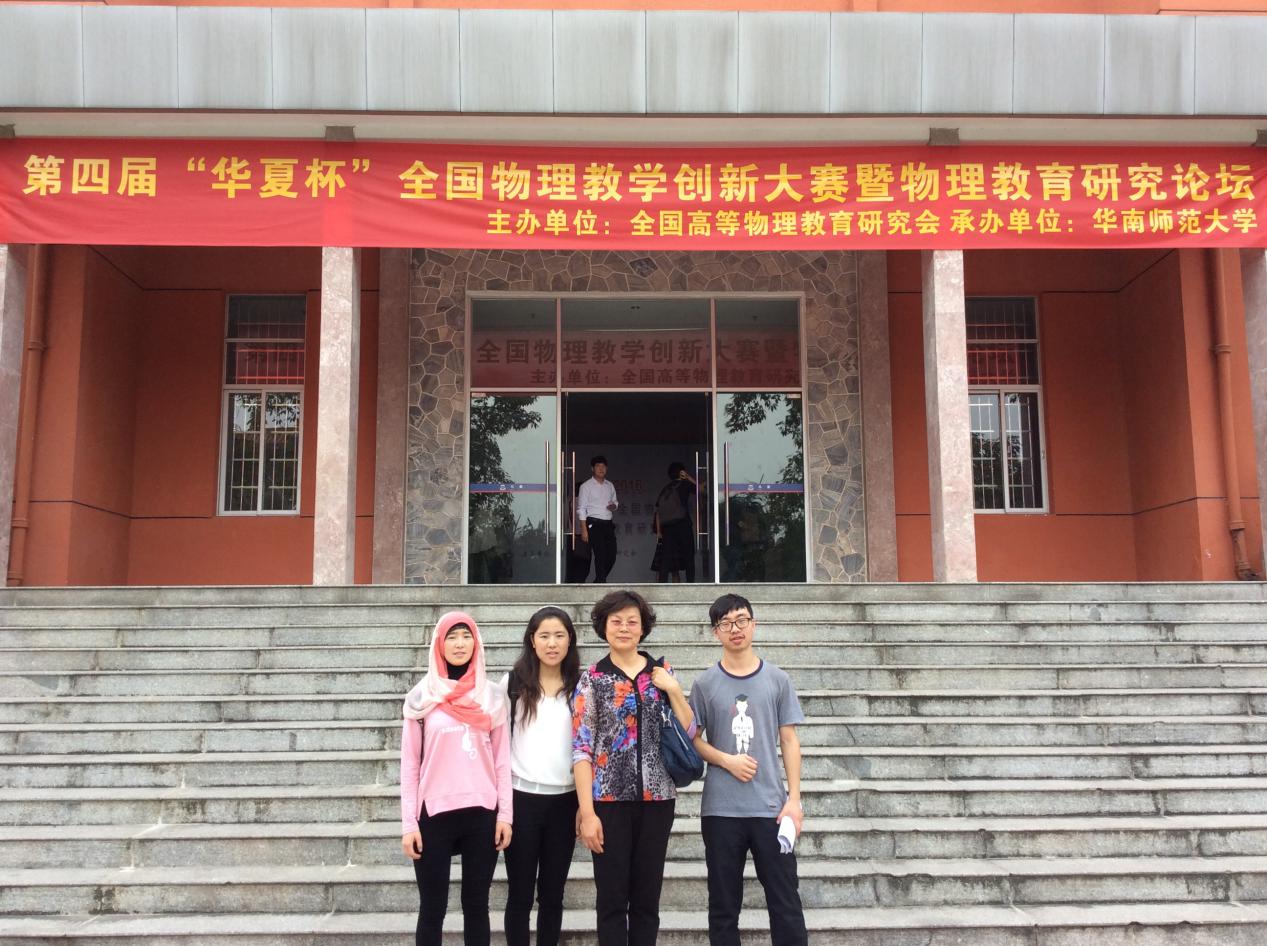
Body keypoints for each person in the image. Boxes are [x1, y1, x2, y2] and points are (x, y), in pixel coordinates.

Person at [572, 589, 695, 946]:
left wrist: (674, 690)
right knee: (611, 900)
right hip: (608, 803)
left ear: (643, 628)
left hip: (658, 800)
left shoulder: (661, 673)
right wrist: (587, 813)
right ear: (604, 627)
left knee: (646, 899)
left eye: (632, 622)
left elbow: (690, 731)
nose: (624, 628)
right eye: (616, 621)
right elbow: (581, 748)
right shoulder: (593, 679)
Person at [688, 593, 808, 946]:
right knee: (723, 905)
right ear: (715, 632)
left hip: (771, 808)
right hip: (721, 811)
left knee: (785, 901)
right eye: (725, 623)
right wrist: (726, 760)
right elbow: (693, 739)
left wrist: (794, 800)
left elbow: (789, 740)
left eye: (741, 620)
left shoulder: (777, 679)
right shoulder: (705, 684)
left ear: (754, 624)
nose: (735, 629)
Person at [400, 611, 512, 946]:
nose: (460, 644)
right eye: (452, 637)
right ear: (439, 644)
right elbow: (410, 765)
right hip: (434, 815)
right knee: (432, 908)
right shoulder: (421, 699)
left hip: (482, 813)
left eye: (466, 636)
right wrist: (409, 824)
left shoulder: (492, 697)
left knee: (476, 906)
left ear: (476, 643)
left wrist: (505, 815)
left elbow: (502, 761)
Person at [502, 606, 583, 946]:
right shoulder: (513, 684)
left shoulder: (581, 686)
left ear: (570, 641)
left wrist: (585, 805)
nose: (552, 643)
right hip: (521, 800)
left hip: (564, 802)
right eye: (545, 636)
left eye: (559, 635)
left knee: (553, 894)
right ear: (532, 641)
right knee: (519, 893)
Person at [577, 454, 619, 583]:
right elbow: (581, 508)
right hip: (593, 523)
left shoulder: (609, 485)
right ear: (592, 468)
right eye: (598, 466)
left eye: (603, 466)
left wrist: (613, 506)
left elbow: (615, 502)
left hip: (608, 523)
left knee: (611, 556)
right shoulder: (586, 486)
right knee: (600, 555)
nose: (601, 469)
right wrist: (584, 529)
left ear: (606, 468)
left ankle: (598, 582)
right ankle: (601, 584)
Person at [653, 461, 696, 583]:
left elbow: (658, 511)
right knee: (688, 556)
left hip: (667, 527)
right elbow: (702, 490)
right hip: (683, 524)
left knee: (666, 558)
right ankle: (691, 585)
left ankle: (662, 585)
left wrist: (659, 532)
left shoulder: (666, 489)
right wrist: (689, 478)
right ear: (682, 472)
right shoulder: (685, 484)